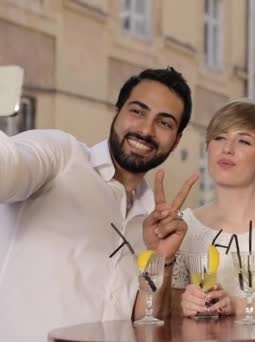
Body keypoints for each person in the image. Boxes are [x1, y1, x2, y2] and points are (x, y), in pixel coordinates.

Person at [0, 67, 197, 340]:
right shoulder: (61, 156)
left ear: (176, 142)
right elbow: (9, 165)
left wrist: (162, 259)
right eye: (137, 111)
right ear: (117, 112)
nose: (145, 130)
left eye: (164, 123)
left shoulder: (155, 220)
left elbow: (147, 324)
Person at [173, 100, 255, 317]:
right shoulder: (183, 226)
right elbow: (165, 310)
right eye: (219, 138)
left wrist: (236, 307)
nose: (227, 149)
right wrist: (184, 303)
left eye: (243, 141)